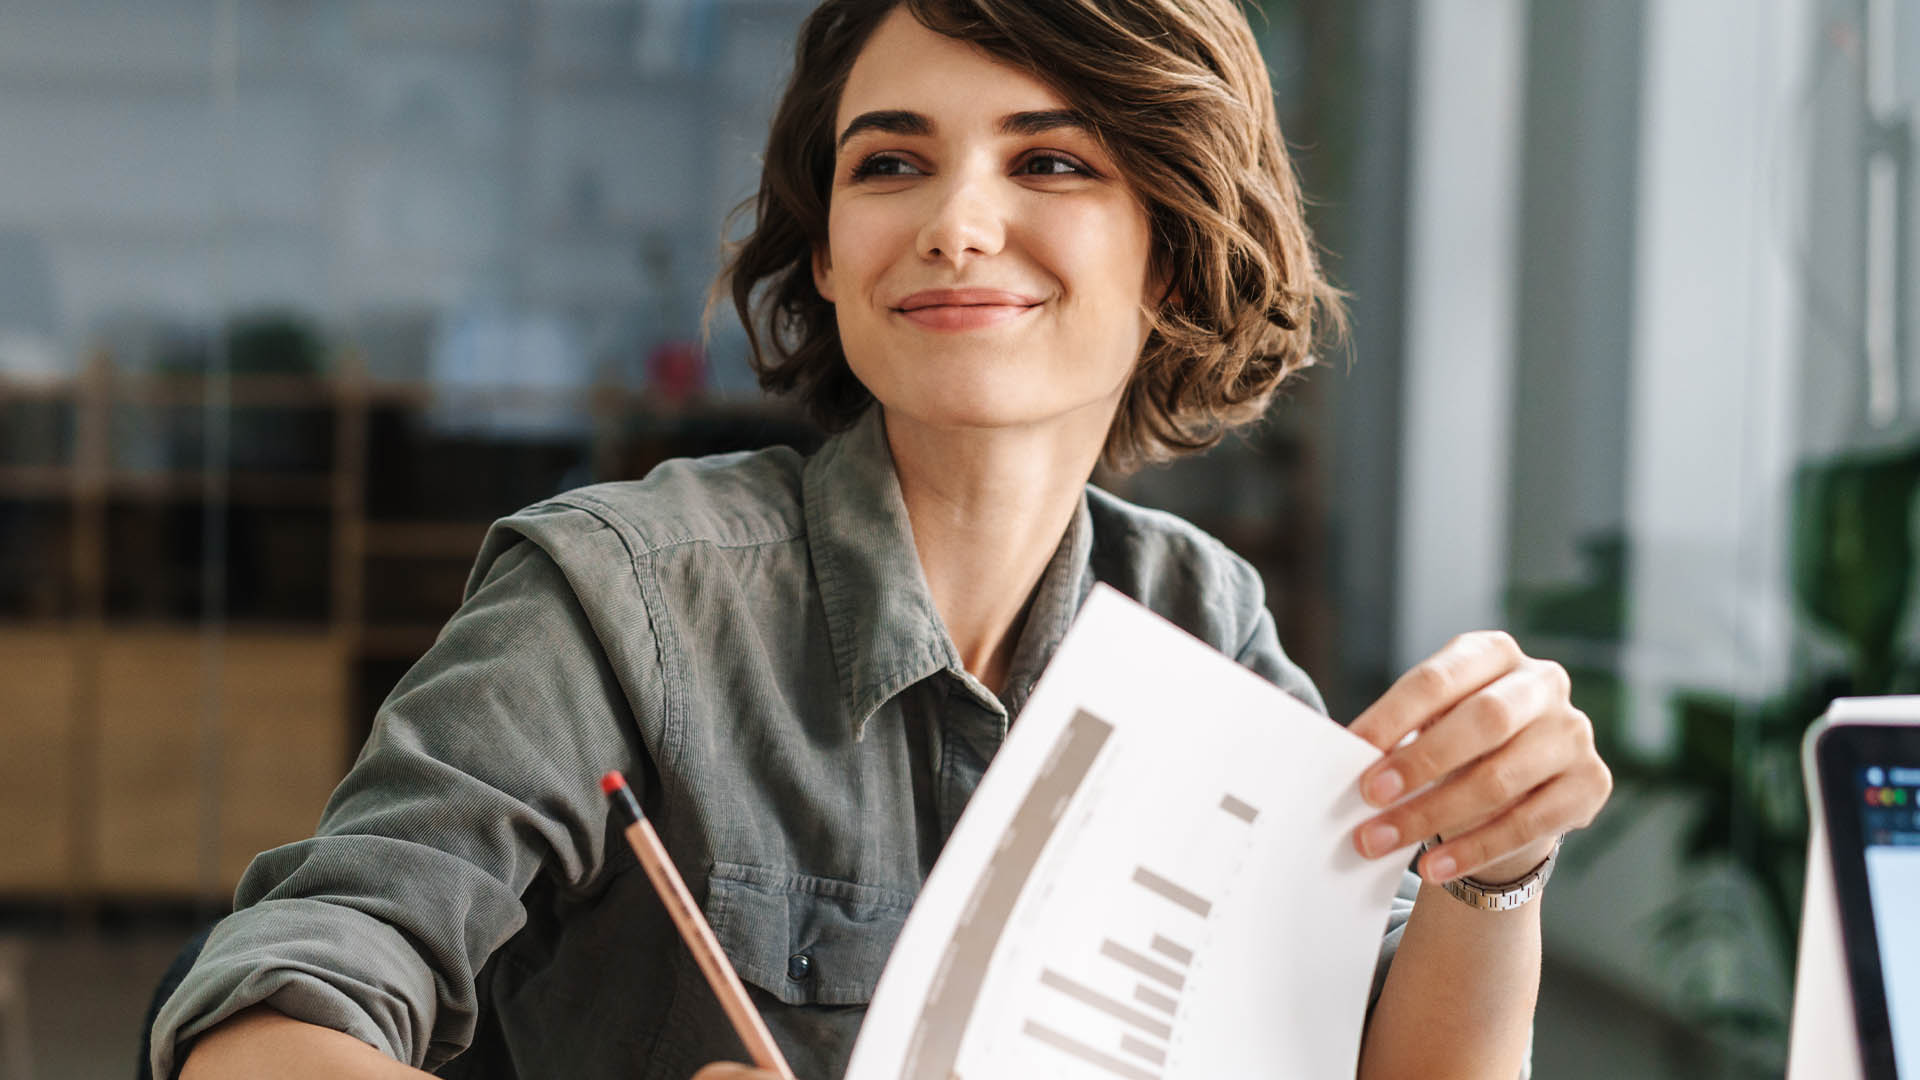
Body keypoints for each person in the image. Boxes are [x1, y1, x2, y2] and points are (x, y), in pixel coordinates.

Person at [154, 0, 1613, 1077]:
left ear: (1172, 246)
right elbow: (268, 1023)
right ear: (831, 254)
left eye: (1049, 165)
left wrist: (1490, 869)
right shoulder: (617, 594)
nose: (957, 226)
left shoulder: (1202, 622)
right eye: (891, 164)